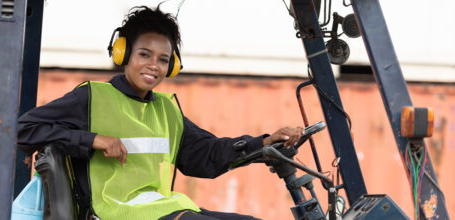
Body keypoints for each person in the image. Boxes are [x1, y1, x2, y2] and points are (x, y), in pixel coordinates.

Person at [17, 5, 303, 220]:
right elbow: (23, 129)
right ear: (123, 54)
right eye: (144, 55)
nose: (154, 65)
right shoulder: (91, 97)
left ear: (172, 66)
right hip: (114, 212)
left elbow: (206, 155)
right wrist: (93, 139)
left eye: (163, 59)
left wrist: (264, 143)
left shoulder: (167, 110)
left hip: (160, 207)